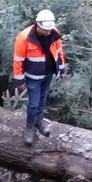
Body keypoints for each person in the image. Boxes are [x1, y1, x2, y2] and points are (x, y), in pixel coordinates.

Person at [12, 9, 67, 146]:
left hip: (47, 73)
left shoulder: (53, 32)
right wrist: (19, 79)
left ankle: (39, 120)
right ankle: (29, 127)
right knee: (33, 103)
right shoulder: (24, 37)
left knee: (42, 99)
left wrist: (61, 70)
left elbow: (59, 53)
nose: (48, 32)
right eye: (45, 30)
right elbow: (18, 60)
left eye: (49, 29)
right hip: (33, 76)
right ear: (38, 25)